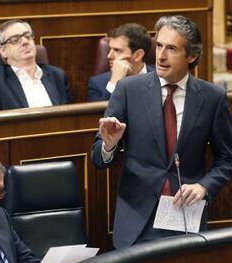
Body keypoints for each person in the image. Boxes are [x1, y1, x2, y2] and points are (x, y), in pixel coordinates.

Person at [91, 15, 232, 249]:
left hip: (186, 217)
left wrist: (204, 186)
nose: (161, 56)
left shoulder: (212, 98)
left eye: (172, 48)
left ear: (192, 56)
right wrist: (109, 146)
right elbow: (98, 159)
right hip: (137, 220)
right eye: (159, 46)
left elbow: (227, 158)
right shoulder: (129, 89)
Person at [0, 19, 72, 112]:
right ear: (3, 51)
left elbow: (70, 118)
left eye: (27, 36)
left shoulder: (58, 76)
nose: (25, 41)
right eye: (15, 40)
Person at [88, 23, 154, 101]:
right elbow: (103, 113)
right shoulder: (97, 84)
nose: (109, 56)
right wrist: (114, 84)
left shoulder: (162, 78)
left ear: (138, 55)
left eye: (117, 50)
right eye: (110, 49)